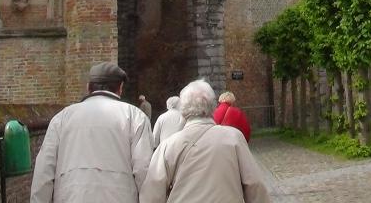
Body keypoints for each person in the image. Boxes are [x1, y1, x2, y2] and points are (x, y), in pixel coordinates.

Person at [31, 62, 154, 203]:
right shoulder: (135, 117)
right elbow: (143, 169)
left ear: (88, 87)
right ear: (120, 88)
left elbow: (44, 171)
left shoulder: (62, 118)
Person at [140, 80, 270, 203]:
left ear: (183, 110)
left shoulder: (168, 146)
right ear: (213, 106)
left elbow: (151, 195)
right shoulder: (234, 138)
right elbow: (255, 185)